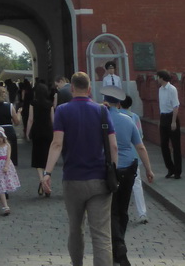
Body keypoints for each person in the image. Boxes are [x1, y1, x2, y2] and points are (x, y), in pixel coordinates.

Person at [42, 71, 118, 266]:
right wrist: (113, 170)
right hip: (99, 178)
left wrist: (47, 172)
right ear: (90, 89)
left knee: (76, 229)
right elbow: (113, 145)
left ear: (72, 88)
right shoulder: (102, 111)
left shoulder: (62, 111)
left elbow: (57, 144)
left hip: (73, 178)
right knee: (101, 234)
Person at [100, 86, 154, 266]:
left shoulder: (100, 121)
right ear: (120, 103)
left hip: (109, 170)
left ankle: (118, 246)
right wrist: (148, 169)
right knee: (123, 209)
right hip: (129, 169)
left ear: (105, 101)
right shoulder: (129, 119)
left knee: (111, 210)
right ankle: (119, 242)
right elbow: (140, 147)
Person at [120, 94, 148, 224]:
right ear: (130, 105)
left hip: (117, 157)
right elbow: (140, 137)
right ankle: (142, 213)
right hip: (132, 155)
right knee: (137, 184)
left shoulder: (112, 116)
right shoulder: (134, 117)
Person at [26, 80, 54, 196]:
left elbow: (30, 119)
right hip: (48, 132)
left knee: (37, 158)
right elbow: (53, 120)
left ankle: (42, 181)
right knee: (48, 158)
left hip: (37, 132)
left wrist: (27, 132)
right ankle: (47, 182)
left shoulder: (33, 103)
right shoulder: (50, 104)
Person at [156, 69, 181, 179]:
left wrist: (174, 121)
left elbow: (175, 106)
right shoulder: (160, 89)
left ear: (162, 78)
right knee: (164, 145)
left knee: (175, 146)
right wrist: (160, 120)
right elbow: (161, 106)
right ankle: (170, 168)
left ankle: (177, 171)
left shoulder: (172, 89)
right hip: (163, 117)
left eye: (158, 77)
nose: (157, 79)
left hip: (171, 116)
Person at [0, 84, 21, 165]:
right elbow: (17, 122)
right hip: (9, 130)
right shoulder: (10, 106)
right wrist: (19, 113)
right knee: (10, 156)